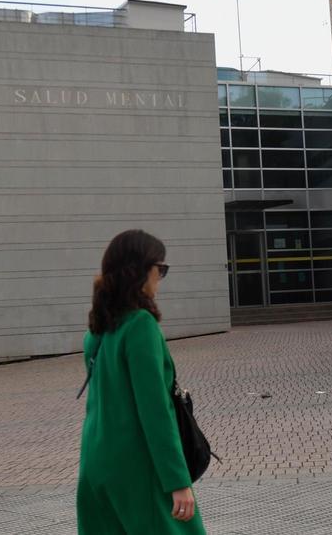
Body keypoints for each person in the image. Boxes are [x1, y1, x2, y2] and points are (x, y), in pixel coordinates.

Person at [76, 229, 205, 534]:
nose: (160, 277)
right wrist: (177, 481)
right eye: (160, 268)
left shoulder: (97, 331)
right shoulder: (140, 326)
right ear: (140, 271)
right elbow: (155, 411)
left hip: (96, 464)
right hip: (139, 467)